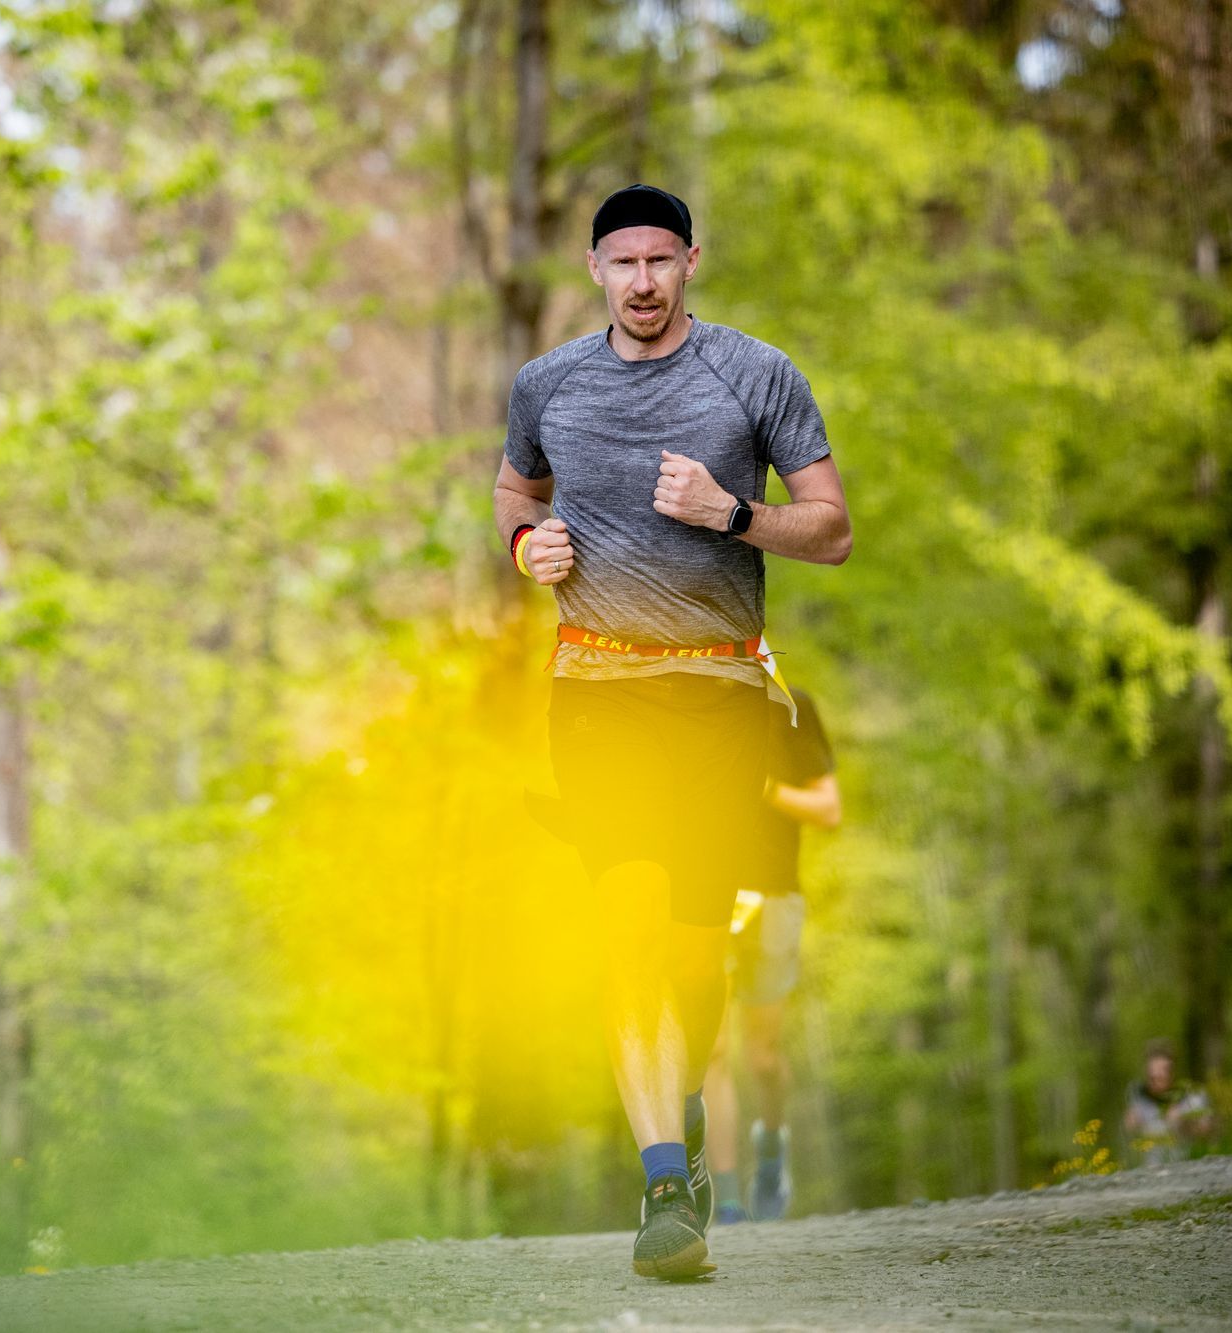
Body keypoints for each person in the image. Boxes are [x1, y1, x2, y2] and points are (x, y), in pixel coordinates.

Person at [493, 184, 851, 1279]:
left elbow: (830, 530)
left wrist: (733, 514)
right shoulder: (545, 383)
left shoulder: (754, 373)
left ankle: (681, 1109)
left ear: (690, 261)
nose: (640, 281)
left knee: (695, 954)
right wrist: (525, 550)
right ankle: (660, 1185)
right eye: (620, 263)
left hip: (721, 694)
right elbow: (514, 487)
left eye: (659, 260)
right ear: (593, 269)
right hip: (594, 690)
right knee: (624, 924)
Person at [703, 688, 840, 1224]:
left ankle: (772, 1147)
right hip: (706, 898)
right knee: (712, 1053)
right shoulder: (694, 701)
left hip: (775, 895)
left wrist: (763, 788)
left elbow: (828, 809)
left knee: (762, 1056)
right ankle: (729, 1198)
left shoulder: (794, 707)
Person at [1123, 1041, 1216, 1166]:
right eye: (1151, 1077)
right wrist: (1131, 1123)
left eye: (1160, 1078)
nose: (1154, 1082)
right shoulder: (1138, 1094)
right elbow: (1128, 1131)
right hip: (1149, 1168)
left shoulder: (1193, 1095)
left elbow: (1208, 1131)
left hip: (1189, 1164)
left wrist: (1184, 1122)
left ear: (1173, 1073)